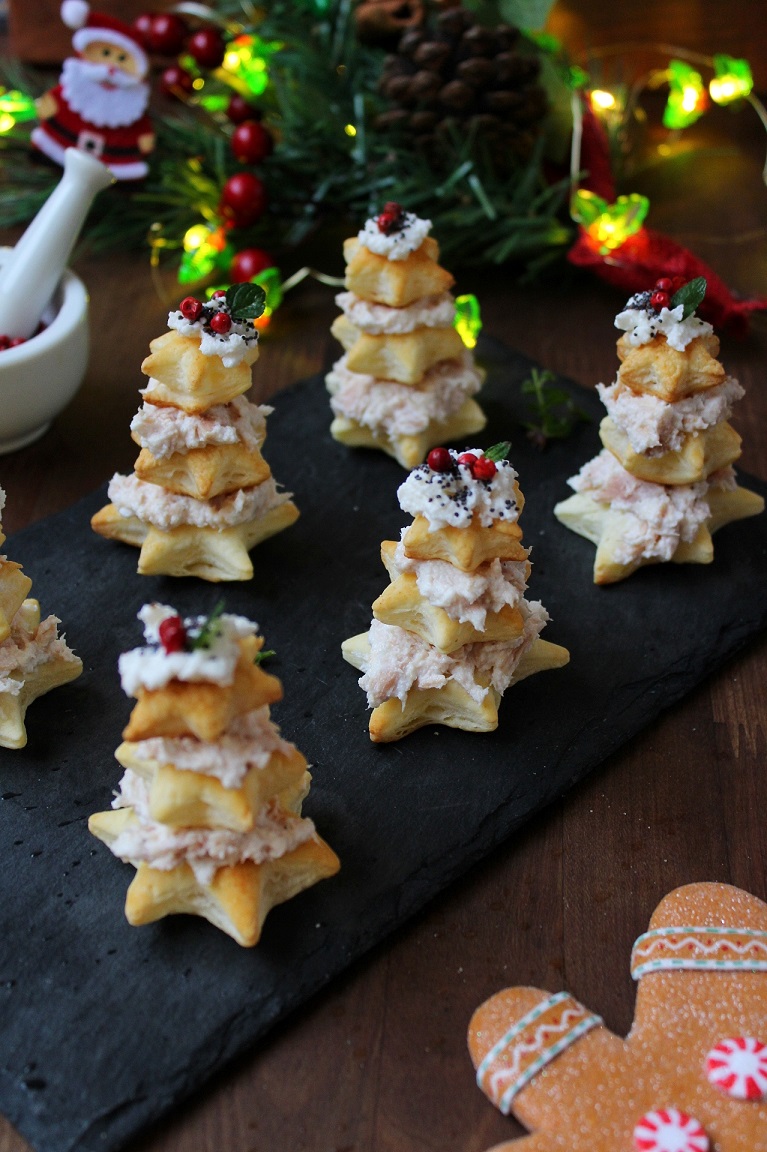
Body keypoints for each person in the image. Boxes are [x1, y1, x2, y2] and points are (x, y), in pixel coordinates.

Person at [31, 1, 155, 181]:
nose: (112, 68)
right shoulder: (75, 88)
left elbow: (141, 128)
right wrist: (49, 104)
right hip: (60, 145)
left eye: (122, 58)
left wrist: (144, 138)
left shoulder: (130, 107)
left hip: (115, 164)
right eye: (105, 54)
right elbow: (55, 101)